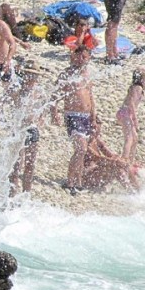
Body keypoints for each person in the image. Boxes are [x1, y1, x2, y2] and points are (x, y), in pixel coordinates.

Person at [50, 46, 97, 195]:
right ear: (73, 57)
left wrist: (94, 118)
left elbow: (91, 98)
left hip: (86, 117)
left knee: (83, 151)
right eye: (79, 56)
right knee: (80, 148)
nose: (81, 59)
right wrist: (54, 112)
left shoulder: (87, 75)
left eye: (84, 57)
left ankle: (79, 181)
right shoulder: (67, 74)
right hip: (73, 115)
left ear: (89, 58)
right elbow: (55, 95)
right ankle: (70, 182)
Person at [8, 59, 48, 195]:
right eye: (28, 75)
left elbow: (43, 110)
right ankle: (11, 194)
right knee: (16, 165)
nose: (30, 78)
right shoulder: (17, 89)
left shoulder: (39, 92)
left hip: (32, 128)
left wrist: (40, 121)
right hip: (18, 129)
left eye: (33, 75)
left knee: (30, 164)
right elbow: (6, 102)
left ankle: (26, 194)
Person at [83, 117, 139, 191]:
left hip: (98, 174)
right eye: (94, 130)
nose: (96, 132)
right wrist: (116, 161)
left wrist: (119, 159)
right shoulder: (85, 143)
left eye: (98, 130)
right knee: (117, 167)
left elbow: (108, 152)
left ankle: (138, 190)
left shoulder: (96, 139)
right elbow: (97, 158)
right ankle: (130, 191)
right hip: (88, 178)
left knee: (123, 165)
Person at [116, 68, 145, 164]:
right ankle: (124, 160)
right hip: (126, 113)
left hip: (126, 113)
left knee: (135, 138)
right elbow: (131, 103)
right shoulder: (137, 88)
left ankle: (130, 161)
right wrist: (135, 119)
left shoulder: (136, 87)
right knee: (129, 138)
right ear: (141, 79)